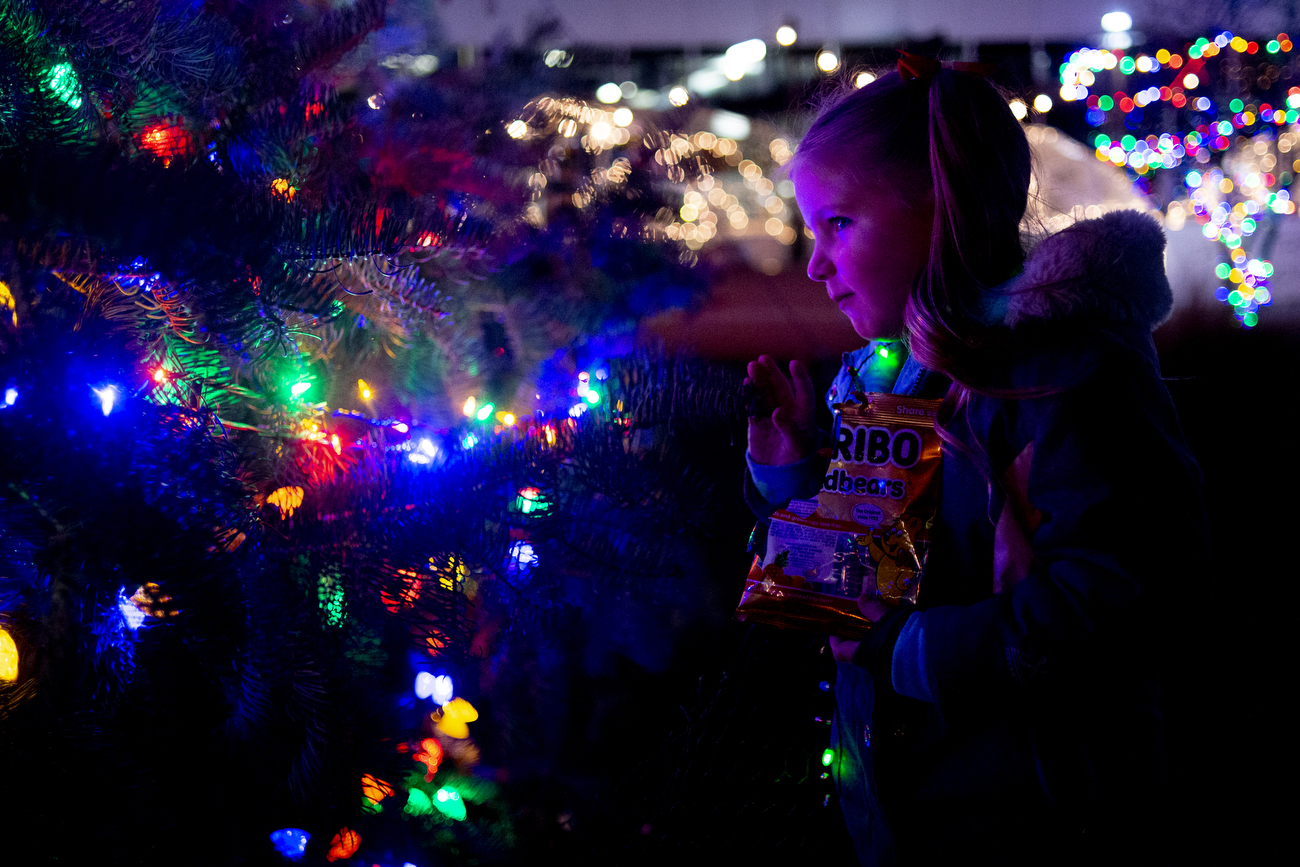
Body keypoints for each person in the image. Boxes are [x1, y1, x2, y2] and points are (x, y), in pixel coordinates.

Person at [744, 53, 1207, 865]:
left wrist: (914, 651)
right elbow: (865, 579)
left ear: (939, 207)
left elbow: (1125, 592)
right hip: (897, 814)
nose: (814, 263)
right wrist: (796, 474)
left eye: (839, 224)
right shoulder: (881, 374)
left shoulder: (1067, 373)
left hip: (1039, 819)